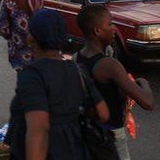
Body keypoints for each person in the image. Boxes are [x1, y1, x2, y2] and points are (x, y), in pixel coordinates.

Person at [8, 9, 109, 160]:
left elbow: (39, 130)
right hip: (76, 151)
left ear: (31, 39)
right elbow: (103, 114)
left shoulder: (32, 75)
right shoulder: (76, 70)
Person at [76, 5, 154, 160]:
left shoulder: (76, 58)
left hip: (88, 134)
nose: (114, 28)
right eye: (110, 24)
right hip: (112, 137)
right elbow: (148, 102)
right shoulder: (109, 65)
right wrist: (144, 83)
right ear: (98, 30)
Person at [0, 0, 43, 72]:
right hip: (38, 51)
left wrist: (15, 38)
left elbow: (3, 29)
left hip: (19, 51)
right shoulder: (37, 0)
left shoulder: (8, 2)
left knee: (24, 79)